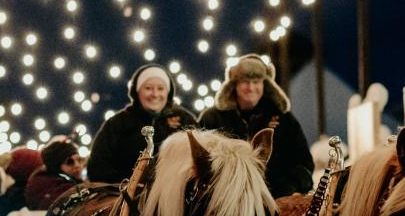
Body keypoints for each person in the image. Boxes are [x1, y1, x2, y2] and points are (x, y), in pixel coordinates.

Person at [197, 53, 314, 198]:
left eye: (256, 81)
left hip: (275, 202)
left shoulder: (285, 120)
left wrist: (287, 189)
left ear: (265, 84)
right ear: (234, 85)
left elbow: (305, 165)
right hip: (226, 203)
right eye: (245, 81)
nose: (251, 87)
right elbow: (199, 163)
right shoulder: (212, 119)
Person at [86, 63, 197, 184]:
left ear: (168, 92)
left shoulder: (185, 120)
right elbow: (97, 166)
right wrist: (127, 185)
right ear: (137, 91)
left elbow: (200, 159)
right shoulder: (118, 124)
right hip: (127, 197)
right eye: (148, 88)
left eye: (160, 88)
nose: (155, 94)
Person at [24, 137, 84, 210]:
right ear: (56, 166)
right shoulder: (49, 187)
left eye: (79, 160)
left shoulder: (74, 184)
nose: (77, 165)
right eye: (70, 162)